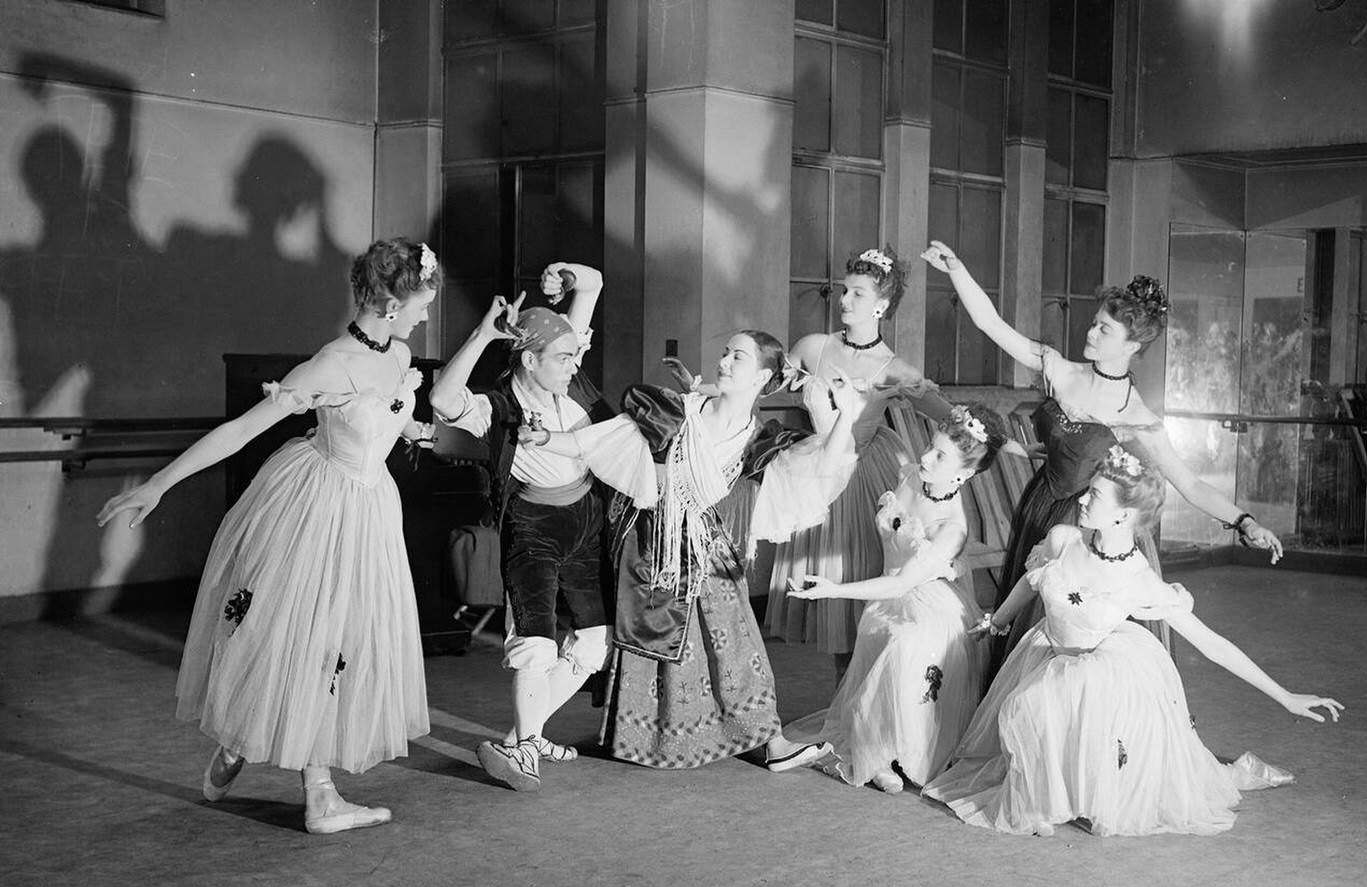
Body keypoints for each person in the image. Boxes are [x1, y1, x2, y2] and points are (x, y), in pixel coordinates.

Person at [96, 237, 441, 834]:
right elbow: (240, 429)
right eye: (423, 303)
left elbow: (388, 411)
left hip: (372, 511)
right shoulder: (330, 363)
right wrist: (159, 482)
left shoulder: (398, 350)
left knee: (348, 642)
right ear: (390, 303)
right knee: (299, 636)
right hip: (318, 509)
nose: (426, 314)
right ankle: (279, 765)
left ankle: (291, 772)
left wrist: (418, 430)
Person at [923, 447, 1342, 837]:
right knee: (1030, 707)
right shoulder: (1064, 539)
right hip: (1049, 651)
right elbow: (1032, 584)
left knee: (1031, 704)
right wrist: (995, 622)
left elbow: (1212, 644)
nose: (1083, 500)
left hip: (1104, 669)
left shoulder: (1140, 581)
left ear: (1123, 516)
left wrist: (1285, 697)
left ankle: (1082, 794)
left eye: (1096, 496)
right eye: (1089, 491)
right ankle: (1052, 793)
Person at [922, 239, 1284, 666]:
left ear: (1132, 346)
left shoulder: (1138, 417)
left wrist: (1245, 521)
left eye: (1104, 330)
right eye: (1094, 324)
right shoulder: (1059, 369)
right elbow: (991, 325)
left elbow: (1189, 483)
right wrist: (957, 270)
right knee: (1021, 634)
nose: (1090, 334)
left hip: (1089, 529)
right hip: (1039, 512)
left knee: (1067, 645)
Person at [520, 330, 858, 770]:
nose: (725, 361)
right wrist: (546, 439)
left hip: (706, 547)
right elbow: (596, 442)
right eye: (725, 352)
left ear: (762, 377)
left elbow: (821, 469)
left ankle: (770, 742)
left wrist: (845, 415)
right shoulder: (674, 412)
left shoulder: (759, 439)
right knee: (651, 636)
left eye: (739, 357)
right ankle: (645, 740)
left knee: (735, 643)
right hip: (651, 546)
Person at [428, 264, 612, 793]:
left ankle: (521, 738)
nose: (575, 364)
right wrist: (485, 334)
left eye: (576, 354)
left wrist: (565, 275)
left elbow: (592, 284)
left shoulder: (570, 380)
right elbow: (442, 401)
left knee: (594, 642)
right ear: (529, 358)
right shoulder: (498, 407)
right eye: (563, 356)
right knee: (535, 640)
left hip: (585, 521)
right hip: (533, 526)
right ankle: (527, 750)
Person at [780, 405, 1007, 794]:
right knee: (887, 630)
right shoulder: (911, 475)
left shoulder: (951, 528)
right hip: (886, 595)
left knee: (907, 642)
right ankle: (878, 750)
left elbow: (901, 584)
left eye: (940, 456)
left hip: (928, 606)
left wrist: (834, 590)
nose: (924, 457)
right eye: (930, 446)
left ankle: (902, 753)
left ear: (965, 473)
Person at [764, 247, 955, 675]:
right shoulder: (813, 347)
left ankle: (866, 700)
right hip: (817, 474)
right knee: (834, 600)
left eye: (857, 294)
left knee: (868, 593)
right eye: (844, 291)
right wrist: (707, 397)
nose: (844, 301)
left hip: (868, 477)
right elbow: (764, 387)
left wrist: (1004, 443)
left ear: (881, 306)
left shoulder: (892, 368)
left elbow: (950, 416)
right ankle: (843, 705)